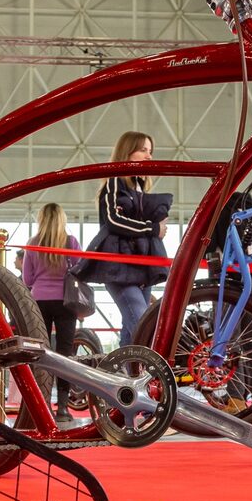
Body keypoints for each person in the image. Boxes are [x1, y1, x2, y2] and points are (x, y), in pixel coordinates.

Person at [78, 132, 170, 346]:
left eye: (150, 151)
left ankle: (128, 367)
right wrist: (152, 228)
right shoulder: (114, 182)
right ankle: (147, 366)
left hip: (142, 265)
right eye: (143, 150)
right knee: (142, 324)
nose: (149, 156)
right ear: (127, 152)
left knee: (133, 329)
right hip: (118, 267)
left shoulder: (139, 187)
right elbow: (112, 220)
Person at [21, 203, 83, 424]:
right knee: (65, 354)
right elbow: (81, 271)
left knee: (40, 352)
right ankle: (63, 407)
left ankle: (42, 404)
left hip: (39, 301)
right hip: (66, 301)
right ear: (62, 219)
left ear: (41, 219)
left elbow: (27, 279)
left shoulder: (32, 243)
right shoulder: (71, 242)